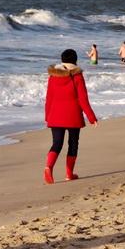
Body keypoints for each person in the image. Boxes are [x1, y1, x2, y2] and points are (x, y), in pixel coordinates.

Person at [44, 49, 98, 184]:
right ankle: (69, 174)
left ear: (62, 60)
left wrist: (47, 116)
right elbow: (83, 100)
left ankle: (48, 167)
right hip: (73, 116)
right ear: (75, 61)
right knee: (73, 144)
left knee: (57, 143)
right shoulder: (77, 77)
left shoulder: (53, 76)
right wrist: (92, 117)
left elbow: (49, 99)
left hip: (55, 116)